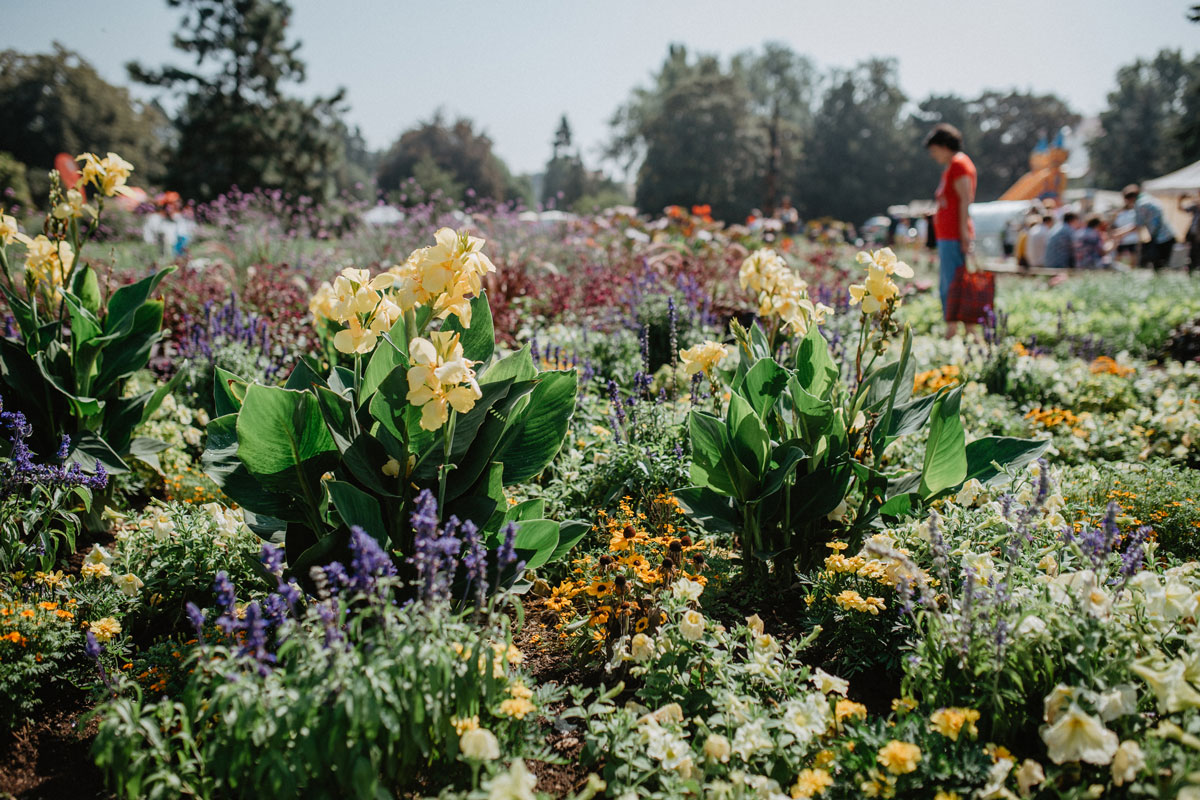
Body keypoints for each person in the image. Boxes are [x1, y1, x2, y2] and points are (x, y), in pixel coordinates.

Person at [924, 123, 977, 338]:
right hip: (948, 235)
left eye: (935, 150)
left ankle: (955, 330)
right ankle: (965, 330)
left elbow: (965, 200)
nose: (934, 156)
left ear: (945, 145)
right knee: (954, 281)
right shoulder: (953, 166)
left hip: (954, 236)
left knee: (953, 284)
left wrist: (964, 233)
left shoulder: (958, 164)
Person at [1110, 184, 1176, 271]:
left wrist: (1120, 232)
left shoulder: (1141, 205)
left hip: (1161, 238)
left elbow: (1138, 225)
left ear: (1130, 199)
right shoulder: (1149, 198)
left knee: (1158, 266)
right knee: (1164, 265)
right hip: (1168, 235)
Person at [1180, 192, 1200, 275]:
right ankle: (1191, 268)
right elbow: (1182, 209)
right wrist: (1180, 200)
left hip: (1197, 234)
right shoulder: (1195, 206)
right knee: (1191, 252)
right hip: (1193, 233)